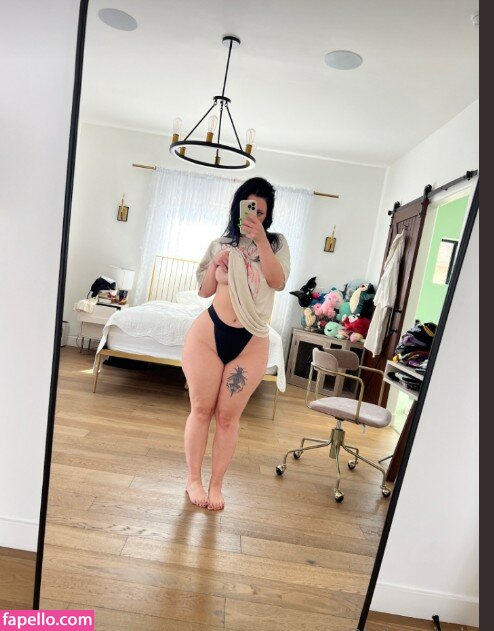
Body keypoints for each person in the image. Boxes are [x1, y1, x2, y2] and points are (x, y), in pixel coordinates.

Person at [182, 177, 290, 510]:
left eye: (261, 211)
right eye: (249, 207)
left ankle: (216, 485)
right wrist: (217, 264)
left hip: (251, 340)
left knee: (228, 418)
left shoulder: (276, 244)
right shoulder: (220, 243)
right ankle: (193, 481)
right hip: (208, 334)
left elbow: (277, 281)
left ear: (268, 214)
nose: (254, 215)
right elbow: (204, 291)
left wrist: (260, 240)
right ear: (238, 207)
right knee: (201, 410)